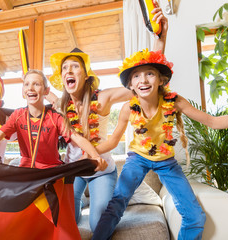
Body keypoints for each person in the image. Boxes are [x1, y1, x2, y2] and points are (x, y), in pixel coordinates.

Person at [91, 48, 228, 240]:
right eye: (136, 76)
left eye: (149, 74)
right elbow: (112, 140)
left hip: (166, 162)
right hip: (138, 159)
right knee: (116, 205)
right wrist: (90, 152)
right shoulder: (128, 108)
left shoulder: (174, 101)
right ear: (131, 85)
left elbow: (213, 121)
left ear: (161, 80)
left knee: (195, 216)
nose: (143, 80)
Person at [46, 2, 168, 232]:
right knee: (66, 220)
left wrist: (159, 40)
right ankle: (80, 201)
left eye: (75, 67)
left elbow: (141, 84)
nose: (68, 72)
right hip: (74, 170)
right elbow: (46, 94)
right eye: (64, 69)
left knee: (98, 224)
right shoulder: (62, 104)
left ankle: (109, 200)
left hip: (101, 170)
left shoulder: (102, 99)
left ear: (86, 75)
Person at [0, 69, 107, 171]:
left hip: (51, 173)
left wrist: (95, 156)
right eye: (27, 84)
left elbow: (78, 138)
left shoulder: (55, 118)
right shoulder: (18, 116)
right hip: (27, 174)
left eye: (36, 84)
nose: (30, 88)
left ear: (46, 91)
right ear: (23, 92)